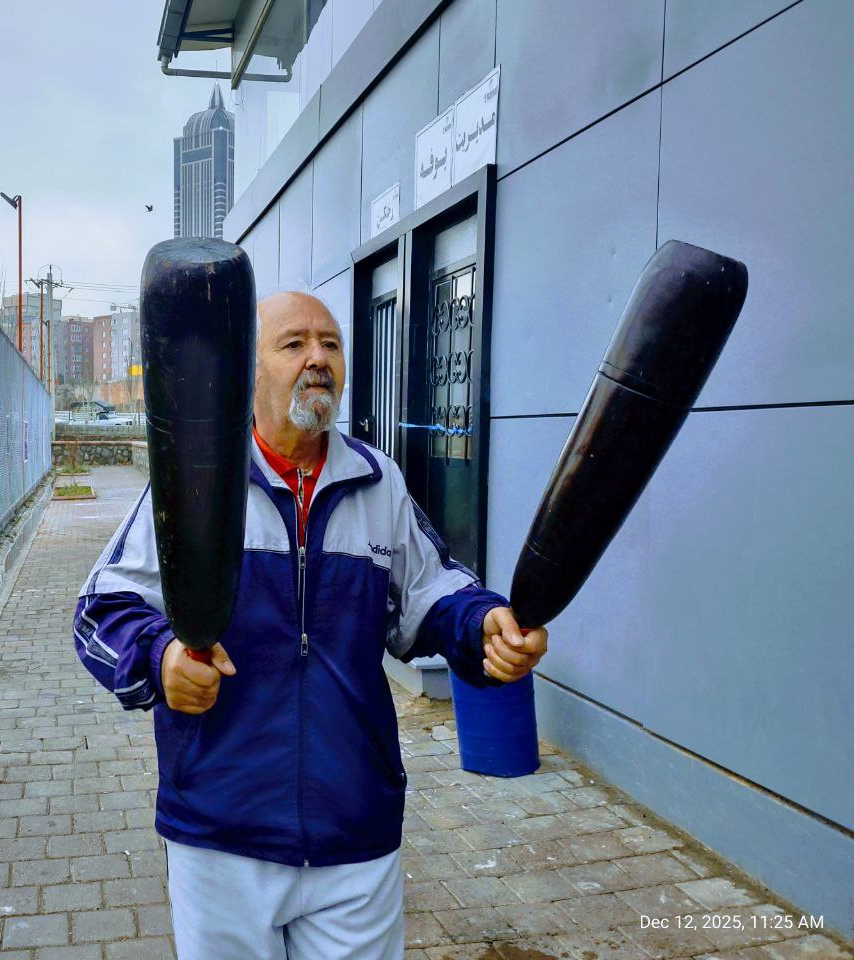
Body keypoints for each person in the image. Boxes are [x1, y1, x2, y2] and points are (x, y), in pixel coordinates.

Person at [74, 291, 549, 959]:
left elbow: (432, 594)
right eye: (293, 343)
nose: (318, 358)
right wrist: (160, 660)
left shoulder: (378, 482)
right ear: (249, 371)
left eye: (330, 343)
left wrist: (484, 624)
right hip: (220, 833)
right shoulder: (197, 483)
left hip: (354, 833)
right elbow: (101, 609)